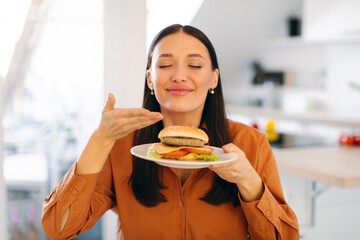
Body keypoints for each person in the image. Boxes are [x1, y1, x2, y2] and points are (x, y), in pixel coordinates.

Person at [41, 24, 299, 240]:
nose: (178, 75)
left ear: (213, 79)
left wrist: (249, 183)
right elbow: (59, 228)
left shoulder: (249, 143)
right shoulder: (121, 145)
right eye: (164, 65)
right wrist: (101, 139)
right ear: (150, 79)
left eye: (195, 66)